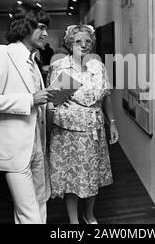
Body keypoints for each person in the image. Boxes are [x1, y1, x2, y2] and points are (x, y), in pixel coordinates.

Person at [0, 3, 55, 224]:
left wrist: (52, 100)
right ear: (25, 26)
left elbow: (38, 102)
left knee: (41, 202)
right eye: (41, 27)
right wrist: (31, 100)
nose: (46, 33)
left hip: (37, 145)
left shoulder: (33, 60)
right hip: (14, 150)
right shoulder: (1, 53)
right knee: (28, 212)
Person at [48, 24, 119, 224]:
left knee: (91, 174)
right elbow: (52, 102)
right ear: (69, 43)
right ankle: (73, 221)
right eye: (78, 41)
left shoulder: (98, 66)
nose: (84, 45)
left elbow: (106, 97)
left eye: (88, 41)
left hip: (94, 129)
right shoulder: (59, 66)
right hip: (68, 132)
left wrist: (112, 123)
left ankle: (89, 214)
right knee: (72, 177)